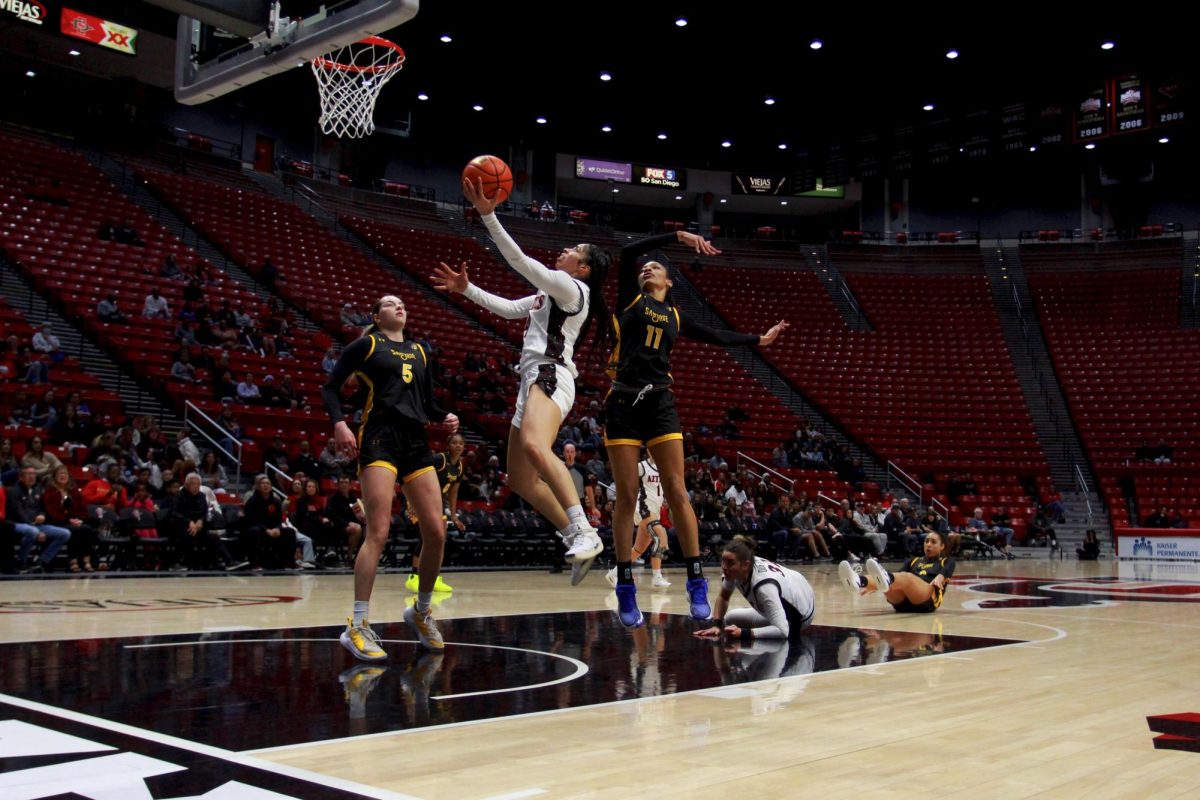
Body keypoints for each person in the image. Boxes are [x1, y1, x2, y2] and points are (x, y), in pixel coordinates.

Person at [601, 226, 787, 627]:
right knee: (627, 496)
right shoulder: (630, 300)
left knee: (678, 491)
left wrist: (759, 338)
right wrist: (676, 237)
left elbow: (717, 336)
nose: (647, 269)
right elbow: (631, 245)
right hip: (622, 402)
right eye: (645, 268)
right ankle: (626, 586)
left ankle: (696, 580)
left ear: (669, 281)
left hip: (659, 402)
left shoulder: (676, 316)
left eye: (656, 268)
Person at [434, 177, 612, 586]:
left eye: (573, 251)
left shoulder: (573, 287)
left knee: (535, 446)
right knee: (519, 478)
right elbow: (509, 308)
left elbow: (520, 262)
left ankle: (584, 530)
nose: (564, 251)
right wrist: (467, 289)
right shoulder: (548, 296)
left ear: (583, 268)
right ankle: (572, 533)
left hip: (551, 374)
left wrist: (489, 216)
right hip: (532, 377)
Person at [323, 294, 459, 661]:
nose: (398, 306)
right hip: (380, 438)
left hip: (416, 441)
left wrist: (444, 417)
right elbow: (330, 386)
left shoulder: (421, 351)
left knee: (436, 530)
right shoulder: (366, 344)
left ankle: (421, 610)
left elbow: (428, 403)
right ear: (377, 316)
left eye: (401, 303)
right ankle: (358, 625)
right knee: (378, 531)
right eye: (389, 303)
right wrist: (339, 422)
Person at [693, 536, 815, 640]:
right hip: (795, 585)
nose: (724, 567)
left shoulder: (764, 587)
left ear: (745, 565)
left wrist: (744, 633)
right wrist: (716, 625)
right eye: (723, 561)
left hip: (800, 615)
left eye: (730, 562)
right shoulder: (738, 566)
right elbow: (723, 597)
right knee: (730, 618)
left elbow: (784, 631)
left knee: (776, 629)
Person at [405, 432, 465, 594]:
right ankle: (414, 577)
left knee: (440, 541)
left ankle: (434, 577)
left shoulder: (459, 466)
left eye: (461, 443)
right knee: (426, 537)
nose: (458, 446)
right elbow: (416, 474)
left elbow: (453, 493)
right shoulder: (439, 459)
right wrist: (411, 500)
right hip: (419, 501)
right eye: (454, 443)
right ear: (448, 445)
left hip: (437, 506)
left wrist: (453, 515)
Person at [839, 531, 955, 613]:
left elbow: (948, 569)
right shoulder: (914, 560)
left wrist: (940, 576)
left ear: (942, 546)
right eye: (927, 541)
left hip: (927, 600)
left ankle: (879, 579)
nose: (928, 544)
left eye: (933, 542)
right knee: (893, 581)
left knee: (906, 577)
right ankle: (858, 581)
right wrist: (874, 585)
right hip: (902, 604)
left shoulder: (946, 561)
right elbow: (897, 577)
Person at [605, 451, 671, 589]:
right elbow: (625, 478)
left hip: (655, 510)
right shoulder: (641, 466)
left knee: (638, 550)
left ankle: (615, 572)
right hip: (643, 508)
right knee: (661, 536)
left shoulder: (664, 467)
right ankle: (657, 576)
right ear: (648, 451)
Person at [8, 466, 71, 573]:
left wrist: (42, 515)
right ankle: (20, 561)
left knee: (65, 533)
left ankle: (43, 561)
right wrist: (35, 527)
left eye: (33, 474)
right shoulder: (14, 491)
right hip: (18, 524)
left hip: (37, 525)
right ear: (21, 477)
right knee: (32, 531)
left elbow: (42, 508)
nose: (32, 477)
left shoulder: (38, 490)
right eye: (28, 474)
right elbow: (18, 512)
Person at [42, 464, 98, 573]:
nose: (63, 475)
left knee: (86, 527)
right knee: (80, 530)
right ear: (54, 477)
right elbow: (51, 512)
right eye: (60, 473)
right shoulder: (49, 493)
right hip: (57, 522)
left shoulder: (74, 492)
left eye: (65, 473)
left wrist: (80, 519)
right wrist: (68, 520)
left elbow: (83, 509)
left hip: (75, 522)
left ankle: (85, 560)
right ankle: (75, 561)